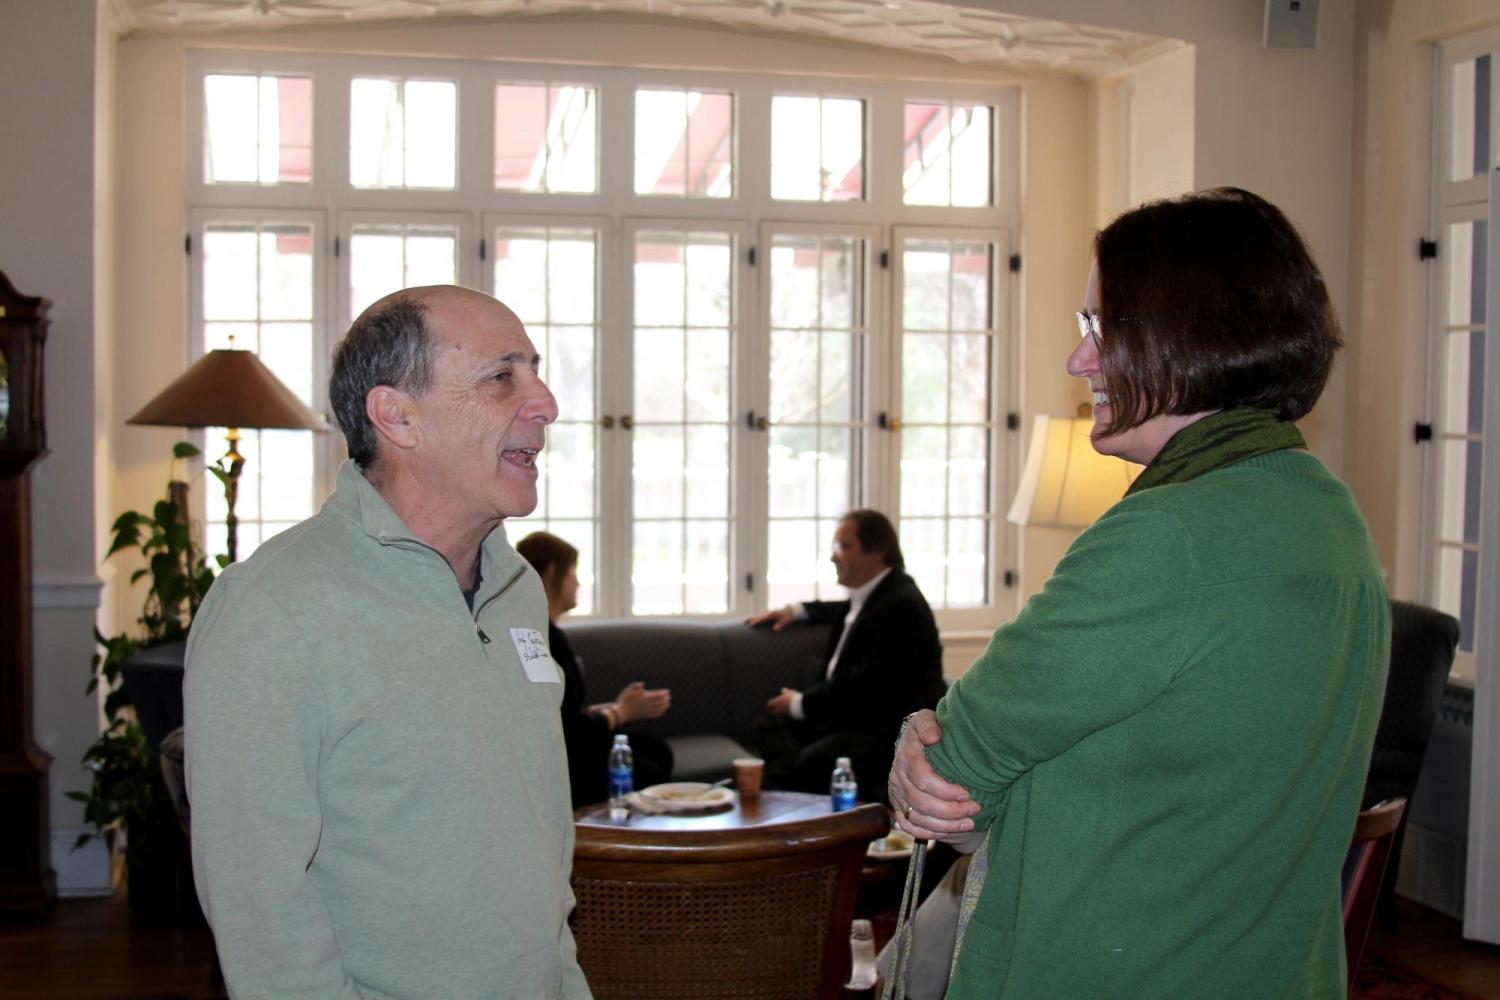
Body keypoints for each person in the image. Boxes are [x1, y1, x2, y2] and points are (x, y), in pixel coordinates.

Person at [887, 188, 1390, 999]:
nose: (1078, 361)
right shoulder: (1329, 516)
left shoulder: (1165, 538)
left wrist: (921, 740)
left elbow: (956, 776)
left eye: (1100, 327)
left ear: (1195, 336)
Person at [185, 286, 592, 999]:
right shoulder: (271, 611)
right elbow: (262, 915)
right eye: (503, 377)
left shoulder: (518, 589)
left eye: (534, 371)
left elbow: (539, 850)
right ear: (397, 416)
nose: (547, 402)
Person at [747, 509, 944, 800]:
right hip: (850, 718)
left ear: (877, 551)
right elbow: (843, 611)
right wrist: (797, 610)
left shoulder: (902, 607)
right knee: (769, 726)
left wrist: (800, 703)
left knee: (813, 761)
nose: (833, 555)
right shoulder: (876, 596)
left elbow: (866, 686)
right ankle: (787, 798)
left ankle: (793, 807)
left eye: (845, 546)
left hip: (885, 729)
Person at [515, 530, 675, 807]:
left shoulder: (549, 632)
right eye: (573, 571)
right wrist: (621, 712)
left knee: (655, 750)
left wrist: (615, 707)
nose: (577, 581)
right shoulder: (543, 638)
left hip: (570, 745)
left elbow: (563, 708)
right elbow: (566, 729)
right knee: (649, 770)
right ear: (554, 573)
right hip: (561, 760)